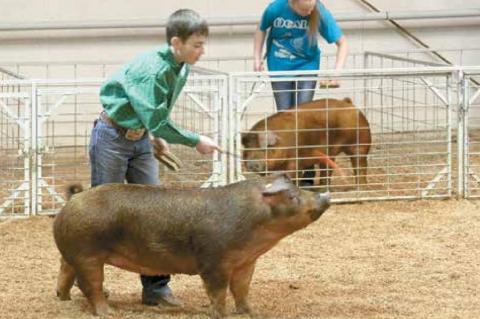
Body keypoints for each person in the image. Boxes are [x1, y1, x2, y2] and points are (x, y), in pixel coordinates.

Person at [89, 9, 220, 307]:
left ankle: (157, 288)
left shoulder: (180, 66)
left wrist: (153, 132)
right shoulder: (153, 70)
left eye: (203, 44)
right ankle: (88, 283)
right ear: (177, 42)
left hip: (139, 138)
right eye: (197, 45)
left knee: (155, 212)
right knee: (99, 213)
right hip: (111, 136)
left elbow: (156, 112)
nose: (202, 51)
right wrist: (194, 140)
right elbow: (156, 115)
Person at [253, 0, 348, 186]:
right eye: (305, 9)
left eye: (312, 7)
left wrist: (337, 73)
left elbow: (343, 43)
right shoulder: (276, 8)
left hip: (307, 66)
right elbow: (261, 29)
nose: (310, 11)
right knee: (284, 117)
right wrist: (257, 58)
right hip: (279, 66)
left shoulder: (318, 11)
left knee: (302, 118)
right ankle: (285, 171)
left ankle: (306, 171)